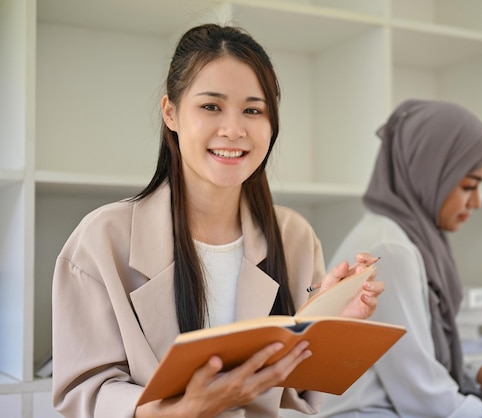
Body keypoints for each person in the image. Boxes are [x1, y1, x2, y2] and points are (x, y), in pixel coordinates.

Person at [51, 23, 383, 418]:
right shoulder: (102, 239)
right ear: (171, 113)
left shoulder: (294, 236)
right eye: (211, 106)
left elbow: (300, 395)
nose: (233, 129)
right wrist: (183, 410)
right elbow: (83, 395)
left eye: (253, 110)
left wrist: (329, 325)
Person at [312, 99, 482, 417]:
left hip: (397, 404)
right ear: (427, 175)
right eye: (468, 186)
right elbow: (423, 395)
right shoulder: (390, 250)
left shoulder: (407, 236)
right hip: (369, 413)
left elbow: (424, 360)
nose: (476, 202)